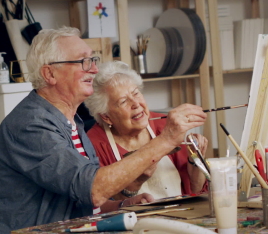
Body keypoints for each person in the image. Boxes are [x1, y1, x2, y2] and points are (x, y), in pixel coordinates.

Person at [0, 27, 206, 234]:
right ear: (50, 74)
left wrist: (124, 203)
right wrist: (167, 139)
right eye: (82, 61)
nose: (94, 68)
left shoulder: (71, 121)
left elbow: (83, 202)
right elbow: (93, 190)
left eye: (93, 59)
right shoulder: (31, 124)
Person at [85, 61, 208, 212]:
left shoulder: (165, 125)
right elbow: (100, 207)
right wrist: (136, 180)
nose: (136, 103)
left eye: (136, 93)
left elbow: (196, 191)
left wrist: (195, 160)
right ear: (106, 117)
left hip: (181, 218)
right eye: (123, 101)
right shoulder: (94, 144)